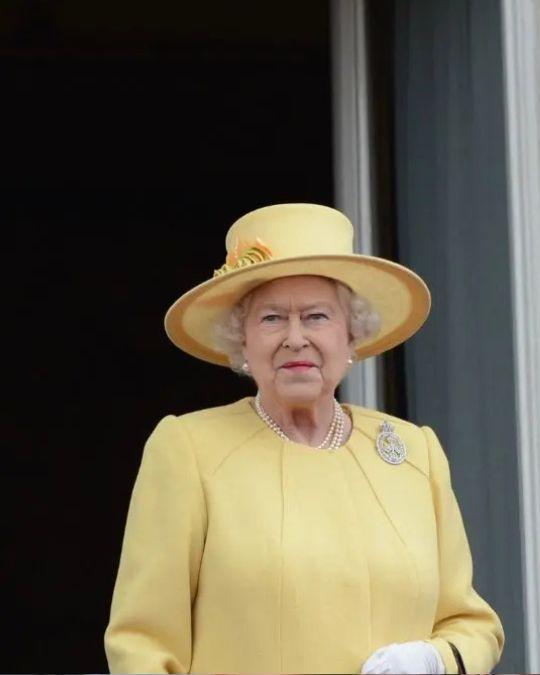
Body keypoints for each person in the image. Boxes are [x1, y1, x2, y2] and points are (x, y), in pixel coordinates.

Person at [105, 203, 503, 674]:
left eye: (316, 316)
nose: (295, 338)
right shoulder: (189, 450)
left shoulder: (415, 453)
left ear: (351, 334)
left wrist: (434, 661)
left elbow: (471, 624)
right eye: (272, 318)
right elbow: (143, 645)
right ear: (242, 341)